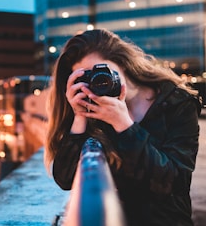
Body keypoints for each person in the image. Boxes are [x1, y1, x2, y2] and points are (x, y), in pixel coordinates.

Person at [44, 29, 201, 226]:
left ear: (124, 64)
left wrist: (123, 125)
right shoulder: (93, 112)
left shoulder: (177, 104)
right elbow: (66, 179)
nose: (98, 82)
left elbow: (172, 181)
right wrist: (79, 116)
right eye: (88, 77)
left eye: (103, 72)